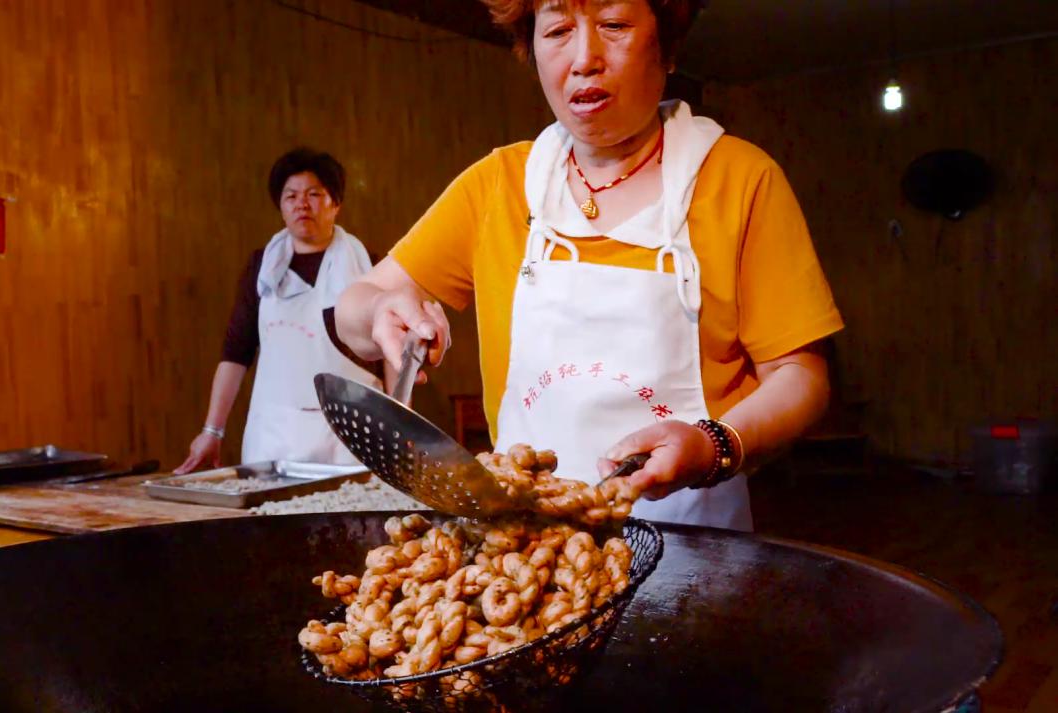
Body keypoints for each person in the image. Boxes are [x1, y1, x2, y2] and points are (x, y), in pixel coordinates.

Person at [334, 0, 844, 530]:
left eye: (614, 26)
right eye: (556, 31)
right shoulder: (499, 185)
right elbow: (355, 305)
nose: (584, 59)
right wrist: (380, 310)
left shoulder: (739, 179)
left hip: (697, 552)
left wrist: (715, 444)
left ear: (667, 46)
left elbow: (799, 376)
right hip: (520, 552)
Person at [176, 148, 384, 473]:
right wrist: (211, 431)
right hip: (273, 439)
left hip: (352, 439)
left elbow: (394, 354)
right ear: (281, 207)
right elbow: (236, 353)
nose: (302, 203)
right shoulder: (262, 269)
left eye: (314, 194)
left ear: (336, 203)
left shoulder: (370, 266)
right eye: (291, 196)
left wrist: (403, 425)